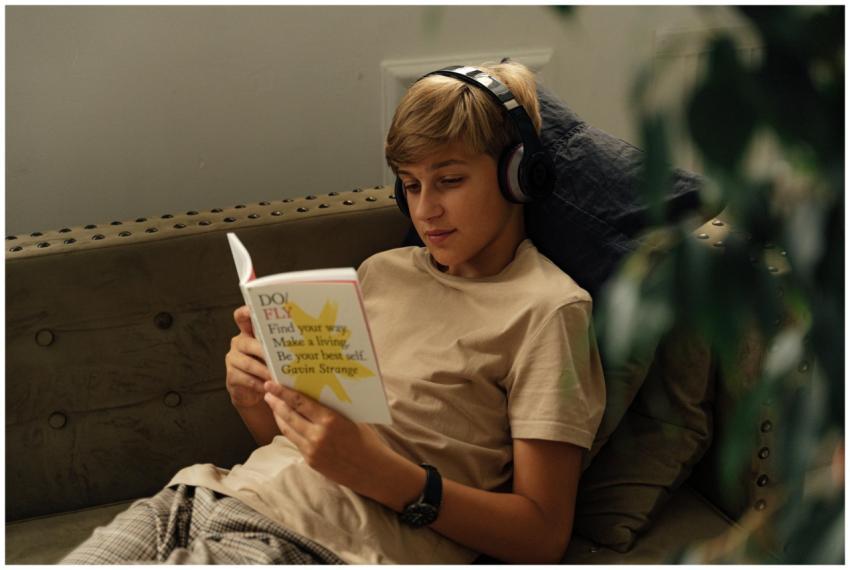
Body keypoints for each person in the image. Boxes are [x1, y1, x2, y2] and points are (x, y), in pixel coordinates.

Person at [60, 60, 606, 565]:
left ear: (517, 176)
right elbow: (312, 448)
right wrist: (254, 398)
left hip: (319, 544)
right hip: (198, 497)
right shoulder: (380, 272)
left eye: (450, 180)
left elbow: (543, 534)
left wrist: (390, 477)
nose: (425, 209)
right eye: (411, 185)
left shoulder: (549, 311)